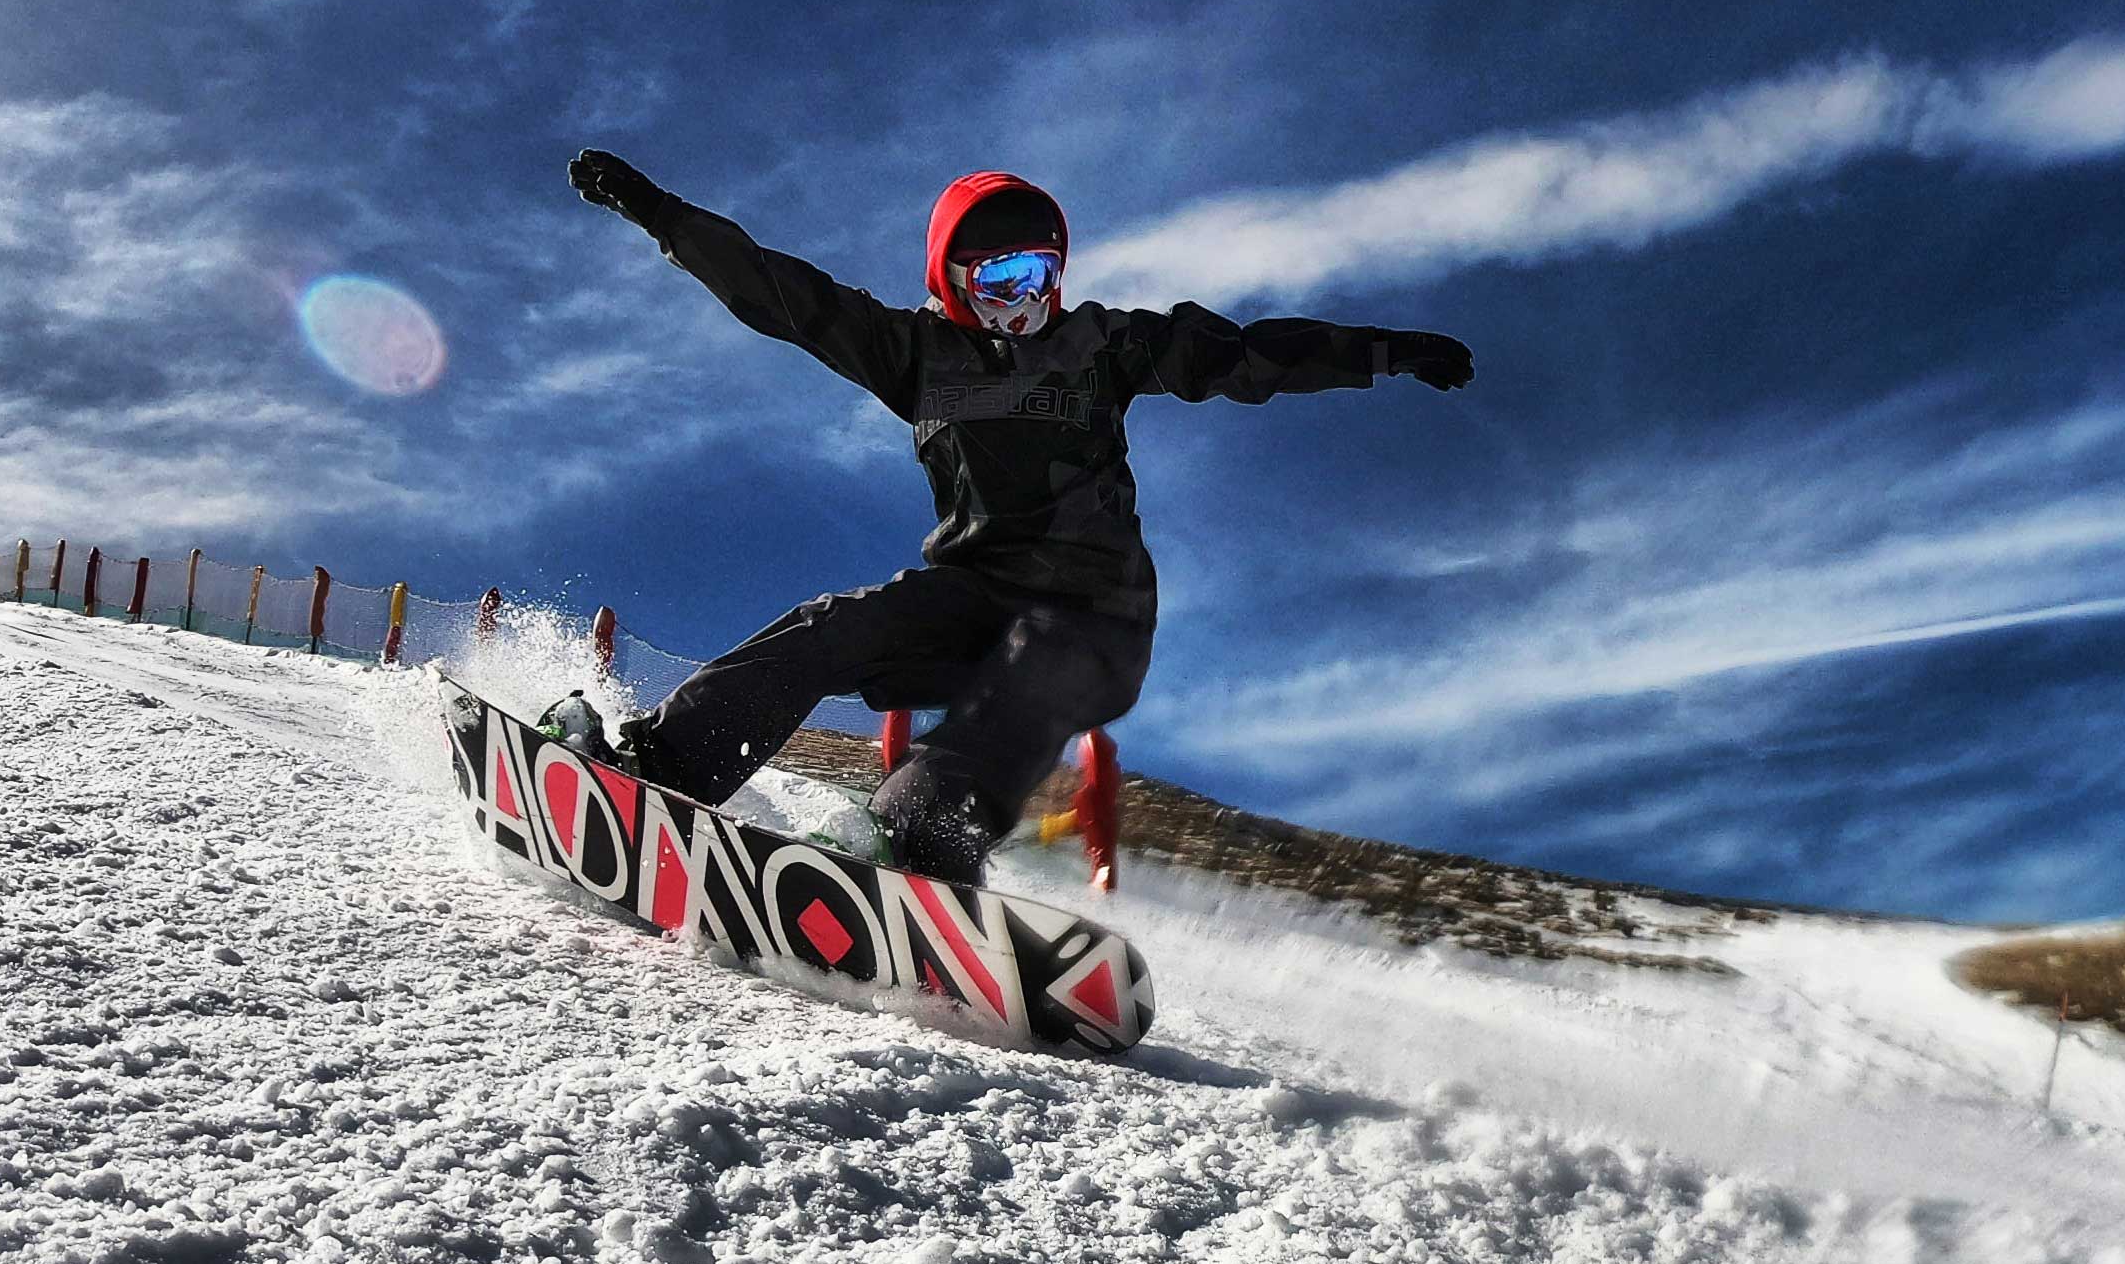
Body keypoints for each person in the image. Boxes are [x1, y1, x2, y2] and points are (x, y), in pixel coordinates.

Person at [554, 149, 1473, 885]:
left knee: (1027, 680)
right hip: (976, 596)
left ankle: (916, 842)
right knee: (838, 625)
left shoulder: (1102, 346)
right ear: (952, 280)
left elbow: (1245, 355)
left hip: (1093, 615)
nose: (1026, 302)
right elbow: (786, 297)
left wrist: (1385, 351)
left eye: (1041, 274)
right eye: (999, 280)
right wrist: (662, 215)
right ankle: (663, 764)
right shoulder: (915, 355)